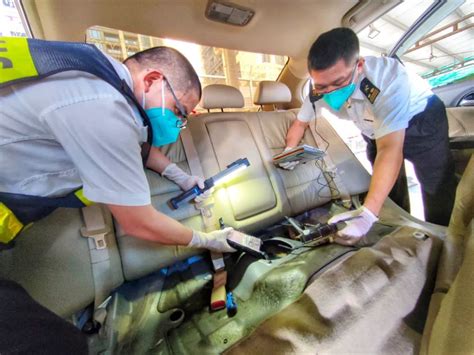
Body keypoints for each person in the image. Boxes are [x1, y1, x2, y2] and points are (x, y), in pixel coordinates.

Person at [281, 27, 456, 245]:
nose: (331, 92)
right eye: (322, 86)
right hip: (373, 128)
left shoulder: (387, 79)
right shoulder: (317, 91)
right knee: (388, 189)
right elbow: (300, 123)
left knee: (436, 183)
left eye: (338, 83)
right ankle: (399, 230)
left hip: (420, 119)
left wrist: (367, 213)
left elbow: (390, 149)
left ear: (359, 66)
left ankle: (444, 241)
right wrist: (289, 151)